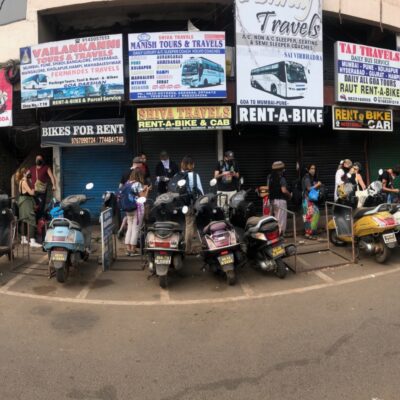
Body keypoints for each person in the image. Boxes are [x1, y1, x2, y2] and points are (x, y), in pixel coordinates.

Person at [180, 156, 204, 255]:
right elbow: (200, 189)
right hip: (193, 203)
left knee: (191, 224)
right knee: (190, 225)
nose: (194, 165)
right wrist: (203, 201)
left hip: (184, 204)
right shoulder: (195, 175)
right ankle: (188, 249)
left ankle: (195, 247)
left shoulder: (180, 175)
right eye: (193, 163)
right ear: (190, 165)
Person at [124, 169, 149, 256]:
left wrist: (143, 189)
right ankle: (133, 250)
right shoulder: (137, 184)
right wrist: (147, 190)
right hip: (137, 208)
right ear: (140, 176)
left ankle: (128, 249)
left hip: (128, 209)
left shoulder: (127, 183)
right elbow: (143, 198)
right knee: (136, 229)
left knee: (129, 228)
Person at [16, 168, 42, 248]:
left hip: (23, 201)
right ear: (24, 173)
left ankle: (23, 239)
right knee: (31, 219)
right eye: (28, 172)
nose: (29, 173)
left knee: (24, 219)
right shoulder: (24, 182)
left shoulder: (21, 181)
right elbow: (31, 193)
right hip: (26, 202)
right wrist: (34, 187)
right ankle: (32, 241)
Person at [29, 154, 57, 221]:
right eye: (37, 159)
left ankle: (40, 222)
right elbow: (26, 175)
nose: (38, 160)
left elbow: (52, 177)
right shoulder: (32, 168)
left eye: (40, 159)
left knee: (41, 207)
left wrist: (54, 185)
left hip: (42, 192)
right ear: (35, 160)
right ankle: (35, 222)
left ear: (42, 160)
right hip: (33, 192)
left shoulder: (46, 168)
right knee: (33, 207)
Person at [268, 161, 292, 235]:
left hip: (272, 200)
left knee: (274, 218)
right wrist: (290, 195)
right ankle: (280, 235)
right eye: (283, 169)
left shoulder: (270, 177)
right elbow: (283, 190)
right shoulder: (282, 178)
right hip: (280, 201)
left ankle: (274, 234)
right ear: (281, 170)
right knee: (281, 219)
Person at [302, 164, 322, 240]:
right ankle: (309, 233)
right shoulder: (307, 178)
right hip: (307, 200)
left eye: (314, 168)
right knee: (311, 216)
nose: (313, 170)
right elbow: (309, 188)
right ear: (308, 169)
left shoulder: (312, 178)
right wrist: (318, 185)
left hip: (310, 200)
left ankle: (310, 233)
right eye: (311, 168)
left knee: (310, 216)